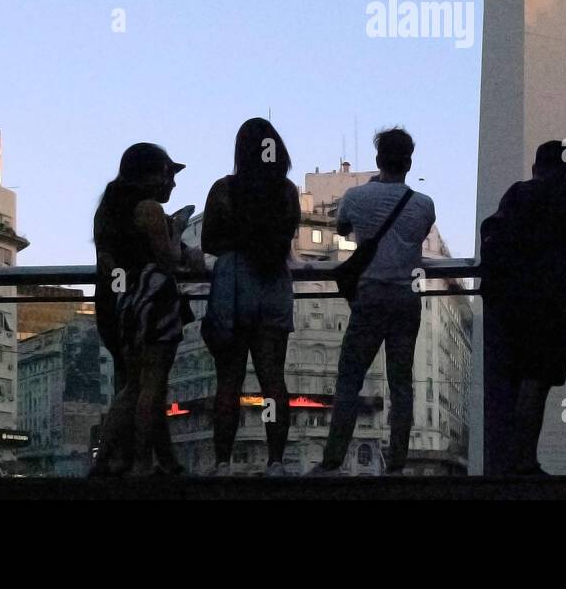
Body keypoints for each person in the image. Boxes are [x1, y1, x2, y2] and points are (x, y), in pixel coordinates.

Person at [308, 127, 435, 475]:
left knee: (350, 377)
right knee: (402, 382)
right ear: (409, 162)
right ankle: (397, 463)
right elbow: (418, 235)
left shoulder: (355, 197)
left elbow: (344, 229)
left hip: (370, 296)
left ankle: (332, 459)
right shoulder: (424, 205)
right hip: (407, 297)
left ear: (379, 160)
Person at [479, 140, 566, 475]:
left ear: (536, 166)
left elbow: (493, 229)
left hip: (506, 303)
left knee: (512, 381)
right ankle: (524, 460)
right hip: (546, 303)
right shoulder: (563, 198)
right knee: (535, 383)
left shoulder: (517, 193)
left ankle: (505, 462)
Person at [199, 118, 300, 476]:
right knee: (273, 378)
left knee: (229, 379)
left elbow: (208, 240)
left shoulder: (223, 190)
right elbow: (288, 235)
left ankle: (223, 461)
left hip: (234, 285)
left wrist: (236, 243)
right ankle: (275, 461)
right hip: (273, 283)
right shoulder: (286, 191)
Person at [93, 143, 191, 477]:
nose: (173, 183)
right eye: (168, 174)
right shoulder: (149, 210)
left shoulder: (108, 210)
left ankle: (105, 460)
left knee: (132, 385)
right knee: (152, 384)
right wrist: (176, 232)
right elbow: (168, 260)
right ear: (151, 175)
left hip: (123, 304)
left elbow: (108, 261)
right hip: (156, 300)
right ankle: (141, 462)